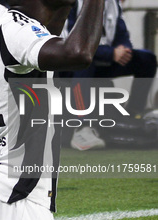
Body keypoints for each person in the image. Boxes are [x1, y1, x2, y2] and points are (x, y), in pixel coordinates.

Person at [0, 0, 104, 220]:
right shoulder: (15, 28)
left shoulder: (10, 24)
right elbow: (78, 53)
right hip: (15, 196)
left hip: (4, 191)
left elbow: (56, 28)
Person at [66, 0, 157, 150]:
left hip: (102, 58)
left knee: (147, 60)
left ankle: (134, 113)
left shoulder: (112, 2)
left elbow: (121, 32)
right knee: (84, 63)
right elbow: (72, 44)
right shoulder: (72, 3)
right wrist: (110, 53)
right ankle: (81, 128)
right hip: (71, 63)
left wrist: (124, 50)